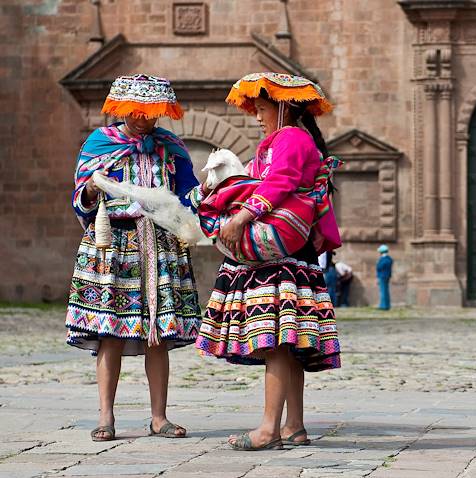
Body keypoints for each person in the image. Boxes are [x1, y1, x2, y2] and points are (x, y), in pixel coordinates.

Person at [194, 72, 341, 451]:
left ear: (284, 107)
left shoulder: (290, 138)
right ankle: (294, 426)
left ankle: (268, 429)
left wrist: (241, 217)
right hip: (295, 254)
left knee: (275, 342)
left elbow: (280, 183)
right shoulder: (279, 143)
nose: (257, 117)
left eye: (261, 109)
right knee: (287, 342)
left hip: (280, 256)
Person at [65, 74, 201, 441]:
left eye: (152, 112)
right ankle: (106, 417)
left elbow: (189, 192)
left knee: (156, 333)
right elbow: (80, 197)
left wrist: (203, 205)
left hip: (159, 245)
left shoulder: (170, 147)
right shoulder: (100, 143)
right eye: (137, 111)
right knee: (110, 330)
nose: (144, 118)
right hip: (114, 248)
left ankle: (159, 417)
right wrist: (92, 187)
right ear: (122, 109)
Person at [376, 244, 393, 310]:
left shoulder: (384, 259)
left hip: (383, 276)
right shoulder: (389, 259)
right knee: (385, 291)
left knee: (383, 291)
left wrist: (378, 263)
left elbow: (379, 267)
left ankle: (383, 306)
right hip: (387, 276)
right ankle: (386, 305)